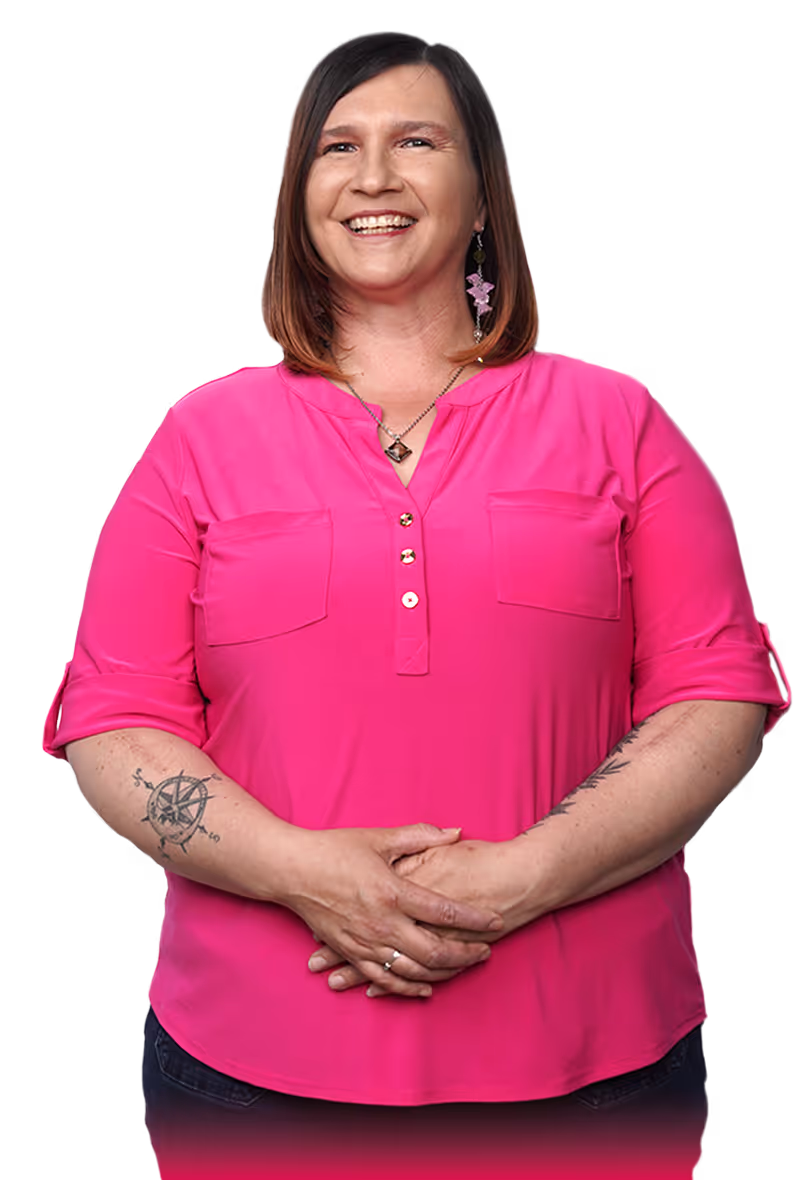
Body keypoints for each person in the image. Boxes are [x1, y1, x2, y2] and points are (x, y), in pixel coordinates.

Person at [41, 30, 791, 1180]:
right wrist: (302, 871)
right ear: (297, 203)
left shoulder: (620, 420)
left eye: (415, 141)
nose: (374, 175)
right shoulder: (196, 437)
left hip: (596, 1073)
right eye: (336, 148)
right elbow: (111, 720)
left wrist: (520, 879)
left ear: (483, 192)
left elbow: (719, 697)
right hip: (247, 1073)